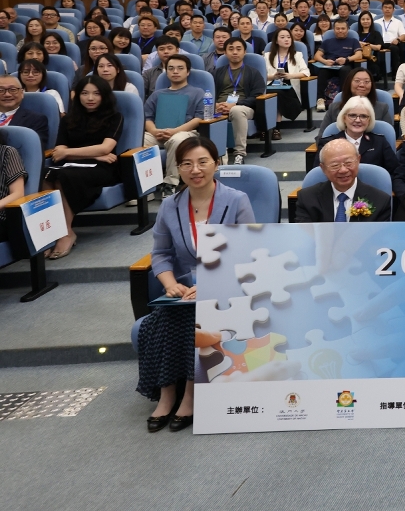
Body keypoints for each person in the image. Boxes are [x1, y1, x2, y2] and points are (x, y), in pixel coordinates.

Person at [136, 136, 253, 433]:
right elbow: (161, 253)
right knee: (163, 318)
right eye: (186, 164)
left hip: (228, 286)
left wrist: (211, 284)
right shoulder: (169, 205)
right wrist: (169, 283)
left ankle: (189, 395)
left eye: (202, 162)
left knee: (196, 318)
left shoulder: (236, 200)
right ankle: (166, 395)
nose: (195, 170)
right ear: (178, 168)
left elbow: (247, 252)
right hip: (185, 289)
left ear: (217, 163)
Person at [43, 75, 124, 258]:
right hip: (74, 164)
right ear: (77, 95)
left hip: (103, 167)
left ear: (104, 96)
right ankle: (53, 232)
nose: (90, 98)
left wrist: (74, 153)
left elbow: (106, 148)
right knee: (45, 174)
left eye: (96, 94)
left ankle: (66, 232)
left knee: (64, 176)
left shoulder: (115, 117)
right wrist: (95, 153)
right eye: (85, 93)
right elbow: (59, 151)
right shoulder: (68, 120)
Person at [142, 55, 207, 195]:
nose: (175, 71)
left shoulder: (197, 93)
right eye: (171, 68)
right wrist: (154, 131)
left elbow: (199, 118)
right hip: (158, 133)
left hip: (186, 133)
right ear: (166, 71)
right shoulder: (157, 94)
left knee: (178, 140)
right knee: (140, 142)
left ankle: (170, 183)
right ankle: (147, 186)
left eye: (180, 68)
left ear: (187, 72)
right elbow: (147, 117)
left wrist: (175, 131)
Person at [294, 138, 393, 222]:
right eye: (335, 165)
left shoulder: (380, 200)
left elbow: (380, 237)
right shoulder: (307, 198)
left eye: (348, 163)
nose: (343, 170)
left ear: (358, 160)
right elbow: (304, 235)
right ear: (323, 168)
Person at [212, 37, 266, 165]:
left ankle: (239, 153)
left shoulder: (253, 73)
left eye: (238, 49)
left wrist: (235, 104)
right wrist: (215, 105)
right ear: (225, 53)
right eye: (231, 49)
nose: (235, 52)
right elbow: (208, 93)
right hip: (220, 107)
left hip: (244, 107)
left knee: (236, 111)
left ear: (244, 52)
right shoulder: (216, 73)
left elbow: (257, 96)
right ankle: (217, 156)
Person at [315, 68, 394, 141]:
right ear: (349, 83)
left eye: (366, 82)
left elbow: (388, 138)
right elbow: (321, 137)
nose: (362, 85)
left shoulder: (382, 108)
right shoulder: (334, 108)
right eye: (357, 81)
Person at [311, 17, 365, 107]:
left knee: (345, 70)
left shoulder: (353, 41)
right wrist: (325, 61)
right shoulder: (327, 42)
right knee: (322, 72)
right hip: (330, 66)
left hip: (346, 65)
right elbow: (317, 56)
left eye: (343, 28)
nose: (340, 31)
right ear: (334, 29)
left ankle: (343, 98)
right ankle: (320, 99)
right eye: (338, 28)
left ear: (347, 29)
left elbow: (359, 55)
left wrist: (346, 59)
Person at [0, 73, 50, 148]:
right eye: (1, 90)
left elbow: (35, 150)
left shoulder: (36, 120)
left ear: (22, 93)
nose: (7, 94)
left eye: (13, 90)